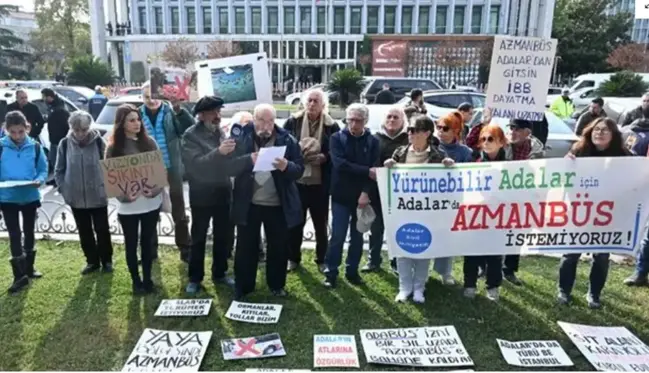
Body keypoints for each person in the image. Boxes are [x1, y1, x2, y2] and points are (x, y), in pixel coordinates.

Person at [231, 104, 304, 300]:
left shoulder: (287, 140)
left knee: (278, 247)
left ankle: (276, 285)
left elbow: (299, 170)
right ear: (254, 120)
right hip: (249, 204)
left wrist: (286, 166)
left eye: (270, 121)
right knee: (246, 247)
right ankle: (244, 286)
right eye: (262, 120)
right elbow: (229, 167)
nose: (266, 125)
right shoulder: (241, 138)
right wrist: (248, 160)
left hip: (277, 205)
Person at [182, 96, 252, 294]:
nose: (217, 116)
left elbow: (227, 162)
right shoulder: (191, 135)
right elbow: (195, 164)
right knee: (198, 237)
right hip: (202, 194)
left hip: (222, 192)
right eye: (213, 112)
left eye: (219, 112)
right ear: (201, 115)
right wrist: (219, 152)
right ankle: (195, 278)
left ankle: (220, 273)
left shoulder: (220, 131)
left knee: (223, 236)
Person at [561, 118, 631, 308]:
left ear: (613, 135)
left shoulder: (624, 156)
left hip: (606, 215)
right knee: (571, 254)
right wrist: (567, 163)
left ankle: (594, 295)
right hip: (580, 211)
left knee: (601, 256)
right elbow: (564, 177)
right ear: (590, 132)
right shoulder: (578, 151)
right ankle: (564, 291)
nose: (599, 133)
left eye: (605, 130)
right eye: (596, 129)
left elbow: (636, 176)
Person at [385, 115, 453, 302]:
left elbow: (448, 184)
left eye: (414, 130)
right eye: (409, 130)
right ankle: (404, 287)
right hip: (402, 210)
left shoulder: (438, 156)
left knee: (424, 249)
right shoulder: (400, 152)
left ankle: (419, 289)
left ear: (427, 133)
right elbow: (389, 179)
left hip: (427, 211)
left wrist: (449, 167)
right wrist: (389, 165)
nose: (410, 133)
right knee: (402, 249)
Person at [106, 104, 162, 294]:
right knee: (131, 244)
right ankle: (135, 281)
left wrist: (154, 191)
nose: (137, 123)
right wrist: (124, 197)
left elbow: (159, 172)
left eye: (138, 119)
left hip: (150, 203)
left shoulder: (150, 143)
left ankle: (148, 280)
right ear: (121, 123)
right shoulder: (113, 148)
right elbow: (110, 179)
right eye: (131, 120)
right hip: (128, 207)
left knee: (147, 242)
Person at [283, 89, 340, 272]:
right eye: (309, 100)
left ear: (323, 105)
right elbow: (283, 145)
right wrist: (297, 157)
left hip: (320, 182)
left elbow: (337, 151)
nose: (312, 104)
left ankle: (321, 259)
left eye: (316, 101)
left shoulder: (332, 126)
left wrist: (325, 157)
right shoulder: (293, 122)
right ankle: (293, 258)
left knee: (320, 224)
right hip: (297, 182)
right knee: (295, 223)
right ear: (304, 103)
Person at [323, 103, 379, 288]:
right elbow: (340, 164)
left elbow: (375, 171)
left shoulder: (373, 141)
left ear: (366, 121)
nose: (354, 124)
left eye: (358, 120)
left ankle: (352, 271)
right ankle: (331, 271)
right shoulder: (336, 138)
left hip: (361, 197)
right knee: (337, 235)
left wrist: (365, 193)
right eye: (351, 120)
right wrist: (366, 171)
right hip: (340, 195)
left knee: (357, 236)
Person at [54, 111, 113, 274]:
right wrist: (64, 189)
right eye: (76, 130)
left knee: (102, 229)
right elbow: (59, 169)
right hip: (76, 196)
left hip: (98, 195)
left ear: (89, 127)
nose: (80, 133)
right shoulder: (64, 144)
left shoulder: (99, 143)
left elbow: (109, 167)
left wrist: (106, 188)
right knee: (84, 230)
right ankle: (92, 261)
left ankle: (106, 260)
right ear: (71, 128)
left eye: (84, 130)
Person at [140, 82, 192, 262]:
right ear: (142, 98)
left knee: (178, 207)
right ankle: (150, 249)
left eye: (154, 97)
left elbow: (188, 128)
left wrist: (178, 108)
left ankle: (185, 247)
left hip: (172, 165)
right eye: (147, 97)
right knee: (149, 208)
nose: (151, 101)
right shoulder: (137, 114)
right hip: (149, 168)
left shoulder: (171, 111)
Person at [0, 111, 48, 293]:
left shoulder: (34, 146)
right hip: (7, 197)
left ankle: (29, 268)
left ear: (26, 128)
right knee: (14, 233)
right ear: (6, 130)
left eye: (20, 131)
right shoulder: (1, 147)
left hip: (29, 196)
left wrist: (39, 180)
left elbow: (43, 169)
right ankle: (19, 276)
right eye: (13, 132)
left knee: (29, 231)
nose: (17, 136)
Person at [464, 124, 509, 301]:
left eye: (491, 139)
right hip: (476, 214)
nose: (487, 143)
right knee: (472, 252)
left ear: (501, 142)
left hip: (499, 216)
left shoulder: (511, 167)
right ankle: (469, 285)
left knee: (495, 254)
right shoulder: (473, 162)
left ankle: (493, 286)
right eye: (483, 139)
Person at [362, 105, 408, 273]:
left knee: (396, 228)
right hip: (377, 190)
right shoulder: (375, 138)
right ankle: (373, 260)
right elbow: (370, 164)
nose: (392, 120)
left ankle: (396, 262)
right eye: (389, 117)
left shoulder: (408, 139)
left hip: (401, 192)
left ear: (403, 121)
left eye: (396, 117)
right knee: (376, 227)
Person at [434, 112, 473, 284]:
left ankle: (445, 272)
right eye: (438, 127)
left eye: (445, 128)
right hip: (429, 201)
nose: (440, 131)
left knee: (447, 236)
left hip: (452, 201)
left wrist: (455, 167)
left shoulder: (465, 152)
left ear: (456, 131)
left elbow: (470, 176)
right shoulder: (430, 146)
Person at [41, 88, 70, 174]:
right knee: (53, 159)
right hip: (53, 139)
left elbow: (65, 124)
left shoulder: (60, 108)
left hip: (59, 139)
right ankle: (56, 178)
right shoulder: (53, 107)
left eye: (44, 97)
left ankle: (61, 179)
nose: (43, 99)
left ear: (49, 97)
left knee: (59, 161)